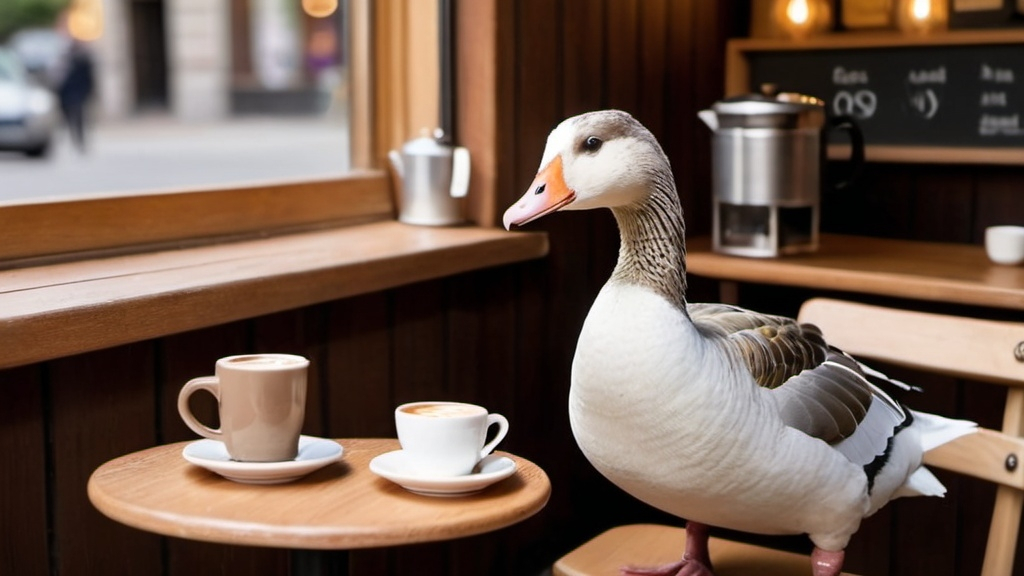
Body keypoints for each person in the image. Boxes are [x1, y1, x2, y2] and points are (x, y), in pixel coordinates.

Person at [56, 41, 94, 152]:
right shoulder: (66, 61)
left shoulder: (82, 61)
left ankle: (78, 141)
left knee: (78, 119)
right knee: (70, 119)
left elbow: (89, 79)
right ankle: (75, 140)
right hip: (68, 94)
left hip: (76, 94)